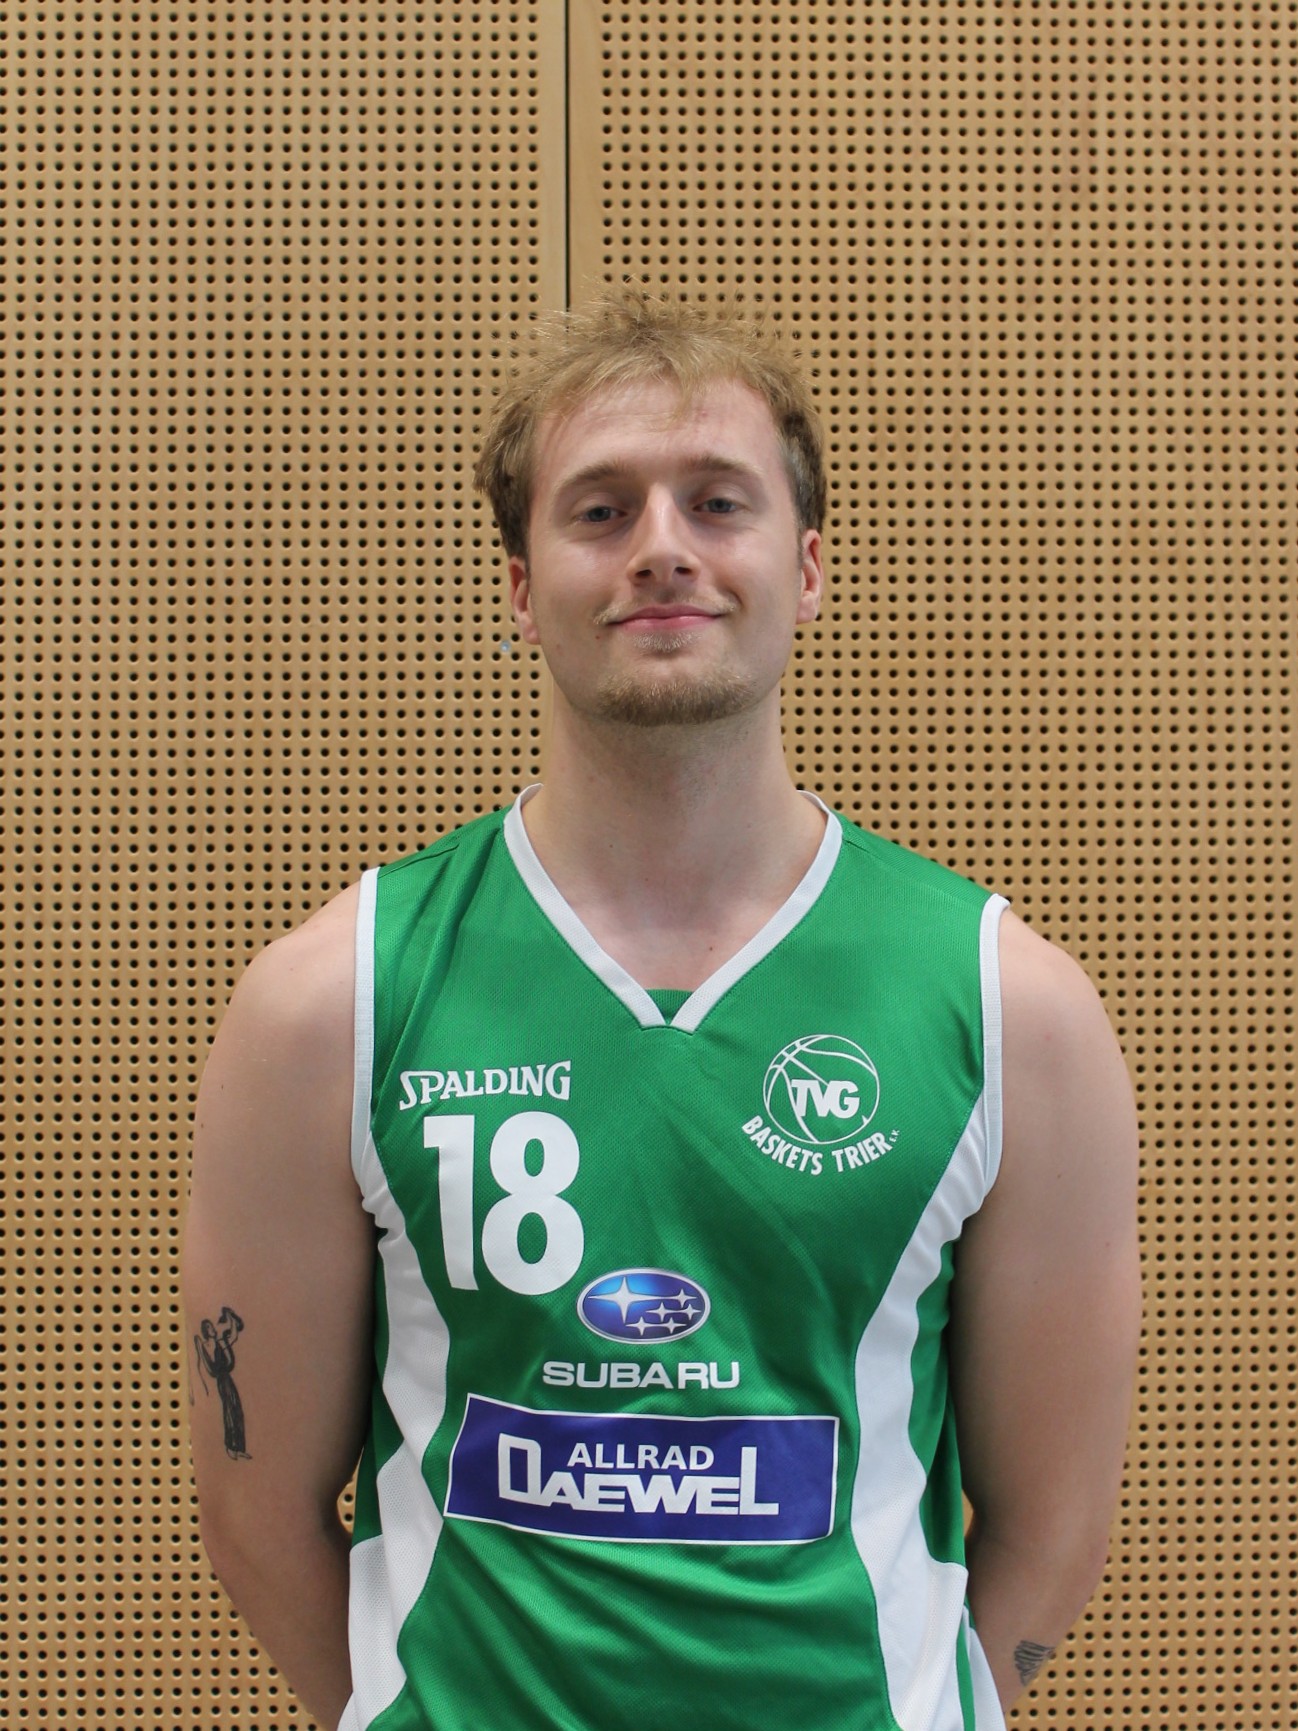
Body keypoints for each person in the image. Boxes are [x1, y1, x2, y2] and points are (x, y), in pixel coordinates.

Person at [183, 289, 1140, 1731]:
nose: (662, 548)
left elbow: (1053, 1527)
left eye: (717, 502)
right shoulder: (327, 1004)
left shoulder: (1015, 1009)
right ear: (521, 589)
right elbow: (256, 1513)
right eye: (600, 510)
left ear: (806, 568)